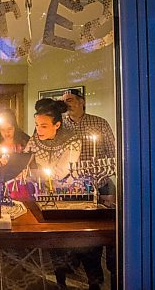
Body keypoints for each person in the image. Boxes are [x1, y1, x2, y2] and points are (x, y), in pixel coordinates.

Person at [54, 88, 117, 290]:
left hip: (97, 185)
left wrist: (102, 174)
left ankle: (94, 279)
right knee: (67, 232)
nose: (67, 103)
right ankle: (64, 275)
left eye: (70, 100)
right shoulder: (59, 125)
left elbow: (112, 152)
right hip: (68, 188)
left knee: (93, 236)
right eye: (64, 101)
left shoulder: (99, 123)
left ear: (82, 102)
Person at [0, 108, 33, 199]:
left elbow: (29, 163)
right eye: (3, 130)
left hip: (21, 183)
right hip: (2, 182)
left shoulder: (25, 141)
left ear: (15, 127)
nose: (6, 133)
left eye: (10, 129)